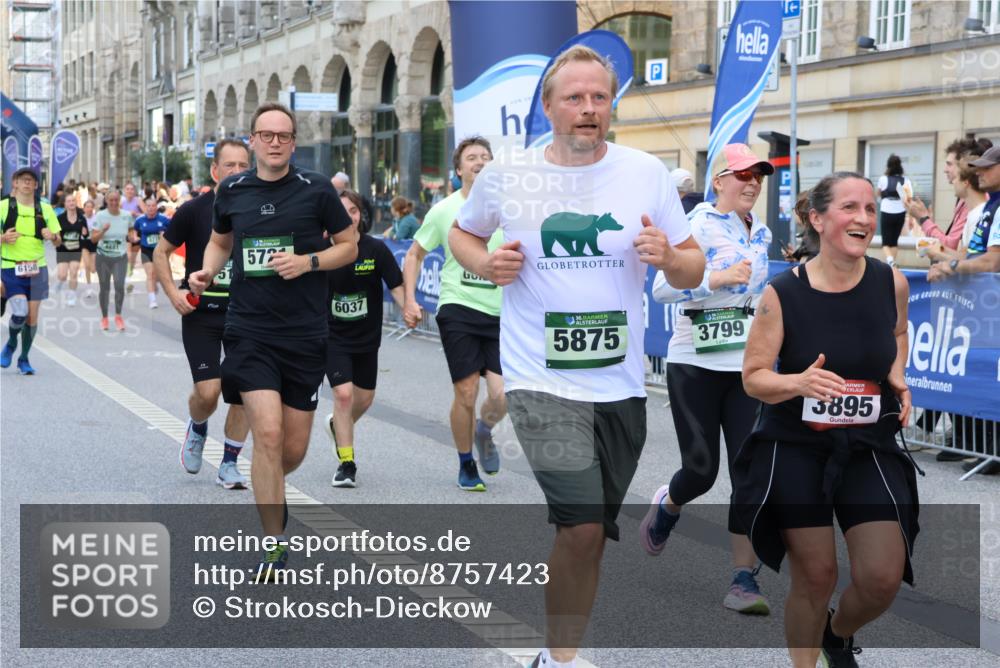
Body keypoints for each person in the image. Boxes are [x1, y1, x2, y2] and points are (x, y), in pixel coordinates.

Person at [448, 45, 705, 667]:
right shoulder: (507, 175)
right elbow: (464, 231)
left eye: (599, 98)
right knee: (582, 525)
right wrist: (485, 263)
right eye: (575, 97)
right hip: (539, 381)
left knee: (589, 541)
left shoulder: (646, 172)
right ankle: (558, 661)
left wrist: (669, 259)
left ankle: (555, 648)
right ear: (549, 106)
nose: (589, 109)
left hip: (620, 387)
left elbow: (695, 264)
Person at [736, 172, 920, 668]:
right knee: (815, 576)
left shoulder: (890, 281)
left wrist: (896, 372)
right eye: (849, 208)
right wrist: (798, 383)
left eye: (868, 208)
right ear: (818, 219)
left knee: (882, 576)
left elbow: (898, 333)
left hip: (867, 444)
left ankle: (834, 635)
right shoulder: (783, 293)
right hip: (795, 445)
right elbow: (753, 377)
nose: (863, 218)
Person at [188, 102, 357, 576]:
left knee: (291, 451)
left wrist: (309, 263)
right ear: (254, 139)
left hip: (304, 334)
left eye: (284, 135)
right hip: (249, 331)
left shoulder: (317, 190)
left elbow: (350, 246)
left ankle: (269, 487)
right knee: (266, 433)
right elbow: (221, 242)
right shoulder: (233, 190)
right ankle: (274, 542)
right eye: (267, 135)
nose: (275, 142)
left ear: (293, 142)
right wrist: (206, 270)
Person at [643, 143, 774, 615]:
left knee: (747, 472)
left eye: (758, 176)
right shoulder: (695, 225)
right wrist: (714, 280)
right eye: (742, 175)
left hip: (745, 366)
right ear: (719, 180)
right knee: (701, 471)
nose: (753, 183)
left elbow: (759, 294)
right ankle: (669, 506)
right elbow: (660, 288)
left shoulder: (761, 231)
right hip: (693, 362)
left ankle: (743, 579)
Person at [403, 136, 506, 491]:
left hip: (502, 313)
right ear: (459, 169)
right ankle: (466, 464)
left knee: (503, 395)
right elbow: (414, 254)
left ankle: (484, 430)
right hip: (458, 307)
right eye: (472, 157)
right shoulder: (445, 210)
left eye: (485, 157)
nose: (479, 161)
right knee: (465, 392)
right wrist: (410, 300)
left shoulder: (511, 209)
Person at [154, 138, 253, 490]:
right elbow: (160, 252)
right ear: (215, 171)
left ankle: (229, 463)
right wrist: (172, 292)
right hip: (203, 315)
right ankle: (198, 426)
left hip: (247, 317)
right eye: (231, 165)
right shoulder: (195, 210)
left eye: (244, 165)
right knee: (208, 394)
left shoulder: (261, 208)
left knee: (244, 391)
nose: (238, 172)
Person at [324, 189, 405, 488]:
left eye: (353, 210)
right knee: (343, 395)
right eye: (341, 211)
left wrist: (409, 306)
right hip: (331, 336)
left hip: (367, 339)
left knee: (364, 399)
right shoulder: (322, 248)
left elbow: (396, 284)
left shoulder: (376, 250)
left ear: (361, 215)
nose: (348, 216)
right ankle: (347, 463)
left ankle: (336, 424)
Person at [0, 168, 61, 375]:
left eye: (31, 180)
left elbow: (58, 239)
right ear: (14, 183)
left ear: (36, 185)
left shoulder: (45, 209)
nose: (27, 183)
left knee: (32, 318)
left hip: (38, 268)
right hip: (11, 267)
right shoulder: (3, 207)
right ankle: (10, 344)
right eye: (23, 180)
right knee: (19, 312)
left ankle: (24, 359)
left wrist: (52, 236)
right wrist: (3, 238)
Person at [906, 137, 992, 251]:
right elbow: (961, 251)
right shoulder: (966, 201)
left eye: (949, 164)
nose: (945, 169)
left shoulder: (977, 208)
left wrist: (923, 218)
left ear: (964, 165)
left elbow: (952, 247)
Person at [89, 190, 133, 331]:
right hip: (103, 257)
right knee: (105, 288)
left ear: (119, 200)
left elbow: (131, 230)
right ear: (106, 201)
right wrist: (103, 231)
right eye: (111, 200)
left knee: (119, 286)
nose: (114, 203)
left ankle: (118, 316)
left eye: (116, 200)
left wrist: (132, 238)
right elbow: (93, 239)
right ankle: (105, 317)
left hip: (120, 257)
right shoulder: (100, 216)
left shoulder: (126, 216)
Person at [134, 196, 170, 309]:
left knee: (157, 275)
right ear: (145, 207)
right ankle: (152, 300)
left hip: (160, 251)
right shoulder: (140, 220)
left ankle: (155, 284)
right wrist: (135, 237)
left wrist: (165, 236)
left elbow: (174, 231)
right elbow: (135, 230)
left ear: (156, 207)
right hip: (146, 249)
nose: (150, 208)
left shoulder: (164, 219)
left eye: (153, 206)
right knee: (150, 274)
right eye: (148, 206)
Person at [875, 154, 911, 265]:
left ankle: (890, 261)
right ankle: (892, 265)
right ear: (900, 166)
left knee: (885, 241)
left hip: (886, 211)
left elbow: (877, 194)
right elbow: (908, 197)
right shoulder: (905, 180)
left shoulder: (883, 179)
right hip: (900, 212)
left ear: (888, 166)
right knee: (894, 242)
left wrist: (882, 200)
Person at [54, 193, 89, 306]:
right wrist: (56, 240)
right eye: (69, 201)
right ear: (65, 204)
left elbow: (85, 234)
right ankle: (60, 282)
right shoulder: (60, 218)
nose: (71, 203)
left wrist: (84, 234)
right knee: (63, 275)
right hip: (63, 250)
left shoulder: (81, 218)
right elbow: (56, 235)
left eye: (73, 201)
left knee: (74, 272)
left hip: (76, 249)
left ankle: (72, 295)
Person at [80, 198, 98, 297]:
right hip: (84, 243)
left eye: (91, 207)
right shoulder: (80, 218)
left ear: (93, 208)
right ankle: (88, 287)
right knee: (87, 265)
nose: (89, 209)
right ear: (84, 208)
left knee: (93, 269)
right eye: (87, 207)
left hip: (94, 243)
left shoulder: (97, 218)